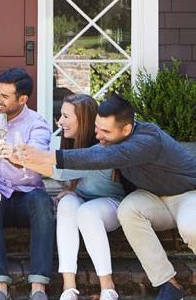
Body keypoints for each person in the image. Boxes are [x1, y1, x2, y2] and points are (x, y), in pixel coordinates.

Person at [15, 94, 196, 300]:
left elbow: (99, 157)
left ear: (126, 129)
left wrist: (44, 156)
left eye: (105, 131)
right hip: (154, 198)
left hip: (193, 194)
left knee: (192, 228)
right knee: (128, 210)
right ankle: (168, 284)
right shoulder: (111, 140)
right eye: (97, 127)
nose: (98, 135)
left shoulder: (146, 140)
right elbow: (93, 156)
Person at [0, 68, 55, 300]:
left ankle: (38, 287)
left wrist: (13, 155)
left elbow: (38, 162)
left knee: (42, 201)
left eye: (4, 96)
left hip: (27, 196)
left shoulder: (37, 124)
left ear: (22, 99)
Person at [52, 93, 126, 300]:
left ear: (82, 119)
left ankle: (108, 287)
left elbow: (59, 171)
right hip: (85, 201)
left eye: (66, 116)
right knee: (67, 203)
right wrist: (72, 191)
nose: (60, 122)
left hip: (113, 205)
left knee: (86, 212)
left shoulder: (100, 147)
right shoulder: (70, 144)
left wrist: (23, 157)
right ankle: (69, 288)